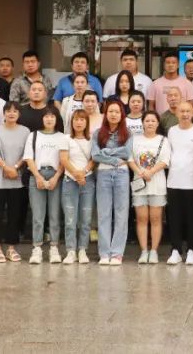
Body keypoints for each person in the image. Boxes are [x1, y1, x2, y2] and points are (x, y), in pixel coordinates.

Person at [23, 108, 68, 265]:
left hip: (56, 175)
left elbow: (64, 160)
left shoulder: (62, 137)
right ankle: (37, 248)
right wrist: (38, 176)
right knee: (38, 216)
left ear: (57, 119)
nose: (49, 119)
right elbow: (28, 158)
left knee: (55, 215)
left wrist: (56, 177)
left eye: (52, 116)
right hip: (37, 174)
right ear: (42, 119)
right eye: (46, 116)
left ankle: (54, 247)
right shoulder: (33, 135)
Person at [0, 102, 28, 264]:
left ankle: (11, 248)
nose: (11, 113)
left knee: (14, 216)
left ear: (19, 114)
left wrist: (15, 168)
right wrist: (6, 167)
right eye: (8, 111)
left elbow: (27, 153)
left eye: (15, 111)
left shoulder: (25, 131)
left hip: (17, 181)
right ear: (3, 113)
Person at [93, 100, 132, 266]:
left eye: (117, 111)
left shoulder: (127, 133)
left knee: (121, 213)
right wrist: (116, 159)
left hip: (122, 174)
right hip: (103, 173)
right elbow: (95, 155)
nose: (113, 114)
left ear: (121, 114)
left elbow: (127, 152)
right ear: (106, 114)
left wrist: (106, 152)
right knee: (104, 214)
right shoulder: (98, 133)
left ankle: (117, 253)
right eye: (110, 111)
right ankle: (104, 252)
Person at [129, 110, 170, 265]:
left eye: (153, 121)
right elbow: (130, 159)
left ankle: (153, 251)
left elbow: (165, 160)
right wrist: (140, 172)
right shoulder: (135, 139)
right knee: (141, 218)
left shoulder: (163, 140)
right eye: (147, 121)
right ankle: (143, 251)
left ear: (158, 123)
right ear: (143, 123)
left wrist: (151, 172)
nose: (150, 123)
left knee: (156, 218)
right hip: (139, 184)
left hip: (157, 184)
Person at [165, 101, 193, 266]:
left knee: (192, 218)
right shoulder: (172, 131)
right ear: (176, 113)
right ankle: (176, 250)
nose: (185, 114)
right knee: (174, 218)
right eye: (182, 111)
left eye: (188, 111)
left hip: (192, 182)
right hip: (173, 181)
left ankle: (192, 250)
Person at [60, 109, 95, 265]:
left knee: (86, 218)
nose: (78, 122)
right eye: (75, 119)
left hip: (88, 181)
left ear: (87, 122)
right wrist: (76, 173)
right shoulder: (66, 138)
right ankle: (71, 251)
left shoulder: (92, 139)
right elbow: (64, 159)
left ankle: (82, 250)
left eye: (82, 119)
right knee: (70, 218)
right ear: (71, 122)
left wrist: (84, 172)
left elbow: (94, 159)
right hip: (70, 181)